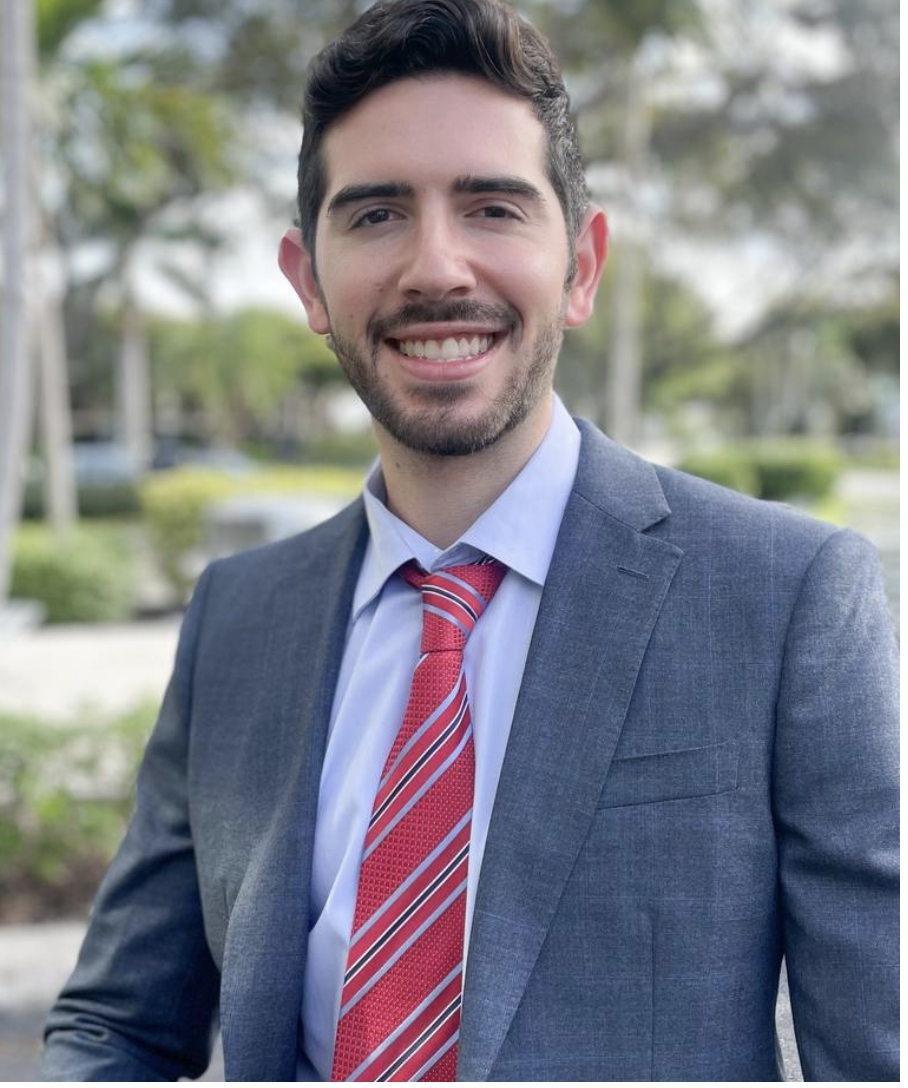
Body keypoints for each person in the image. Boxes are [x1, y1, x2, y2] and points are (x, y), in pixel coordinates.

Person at [42, 0, 898, 1081]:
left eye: (492, 207)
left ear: (581, 266)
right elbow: (114, 1025)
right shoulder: (238, 617)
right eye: (376, 214)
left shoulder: (785, 597)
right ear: (308, 281)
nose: (436, 268)